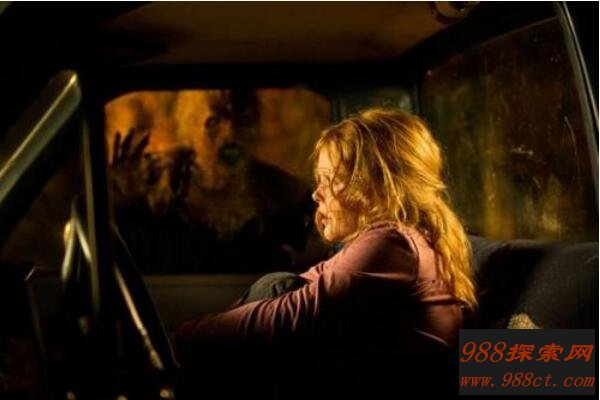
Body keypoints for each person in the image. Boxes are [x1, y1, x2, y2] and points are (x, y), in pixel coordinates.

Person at [171, 108, 478, 395]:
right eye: (319, 181)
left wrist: (183, 337)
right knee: (277, 285)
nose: (318, 194)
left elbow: (292, 315)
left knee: (278, 297)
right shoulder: (401, 240)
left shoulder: (392, 243)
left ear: (377, 184)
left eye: (332, 180)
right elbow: (299, 290)